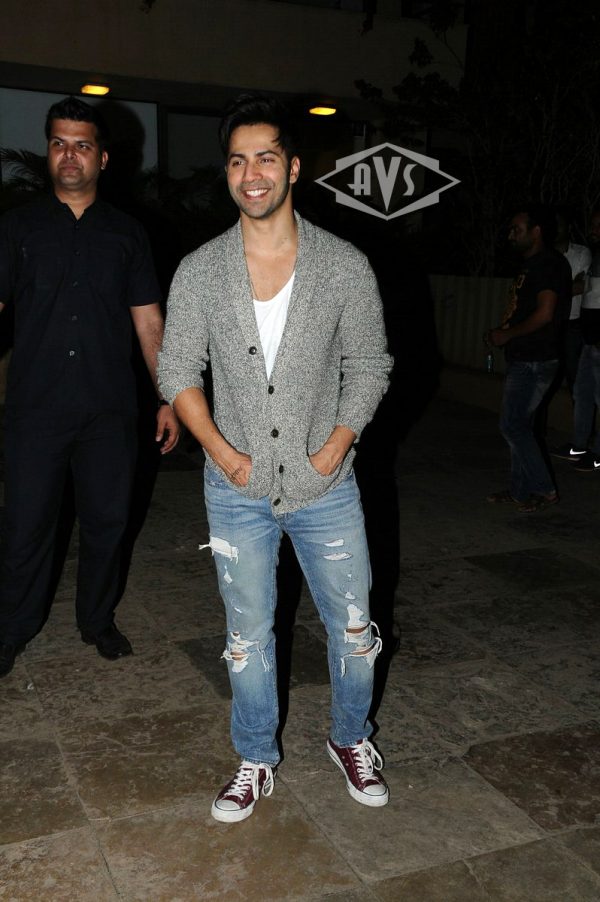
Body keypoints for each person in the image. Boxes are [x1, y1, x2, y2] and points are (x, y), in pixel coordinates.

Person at [158, 93, 393, 822]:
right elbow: (177, 370)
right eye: (237, 161)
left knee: (354, 632)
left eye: (265, 158)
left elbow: (370, 365)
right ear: (227, 173)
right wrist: (224, 454)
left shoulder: (344, 265)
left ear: (292, 167)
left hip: (328, 486)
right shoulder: (200, 270)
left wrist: (334, 447)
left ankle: (350, 738)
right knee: (246, 638)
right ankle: (256, 756)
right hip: (236, 490)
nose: (251, 174)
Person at [0, 96, 179, 678]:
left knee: (107, 523)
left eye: (81, 145)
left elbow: (149, 323)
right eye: (59, 143)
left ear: (102, 157)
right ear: (48, 151)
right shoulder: (17, 227)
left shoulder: (127, 234)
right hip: (35, 408)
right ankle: (13, 627)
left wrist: (168, 396)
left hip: (109, 411)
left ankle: (97, 620)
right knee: (26, 525)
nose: (69, 155)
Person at [486, 204, 572, 512]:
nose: (511, 235)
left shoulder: (548, 264)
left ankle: (544, 488)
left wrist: (508, 334)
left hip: (536, 358)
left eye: (517, 229)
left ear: (536, 232)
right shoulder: (532, 264)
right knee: (522, 427)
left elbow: (545, 313)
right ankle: (521, 491)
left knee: (512, 426)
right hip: (526, 355)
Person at [551, 208, 600, 471]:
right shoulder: (596, 258)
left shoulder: (587, 255)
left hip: (594, 336)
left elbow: (579, 287)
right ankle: (579, 445)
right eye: (592, 225)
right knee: (582, 392)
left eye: (598, 225)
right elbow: (583, 289)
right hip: (589, 337)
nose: (593, 230)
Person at [554, 207, 591, 393]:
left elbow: (580, 286)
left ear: (568, 227)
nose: (555, 228)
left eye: (559, 224)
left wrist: (551, 291)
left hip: (572, 324)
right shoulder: (544, 255)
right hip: (548, 322)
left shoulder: (581, 253)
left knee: (574, 376)